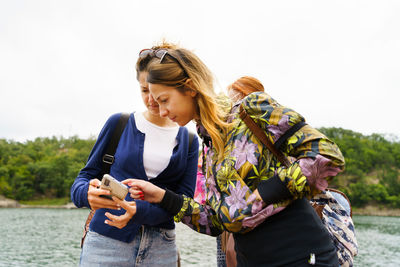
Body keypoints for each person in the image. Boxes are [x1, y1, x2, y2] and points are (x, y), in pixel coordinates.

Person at [109, 45, 345, 266]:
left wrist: (262, 194)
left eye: (164, 100)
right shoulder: (209, 143)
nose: (161, 111)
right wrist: (162, 197)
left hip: (300, 254)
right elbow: (216, 222)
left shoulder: (252, 109)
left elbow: (325, 155)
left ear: (190, 87)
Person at [70, 43, 199, 267]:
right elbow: (83, 179)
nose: (151, 99)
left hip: (161, 247)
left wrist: (139, 210)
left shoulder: (189, 140)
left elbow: (184, 202)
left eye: (156, 92)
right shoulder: (118, 123)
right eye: (144, 90)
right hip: (105, 243)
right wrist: (85, 195)